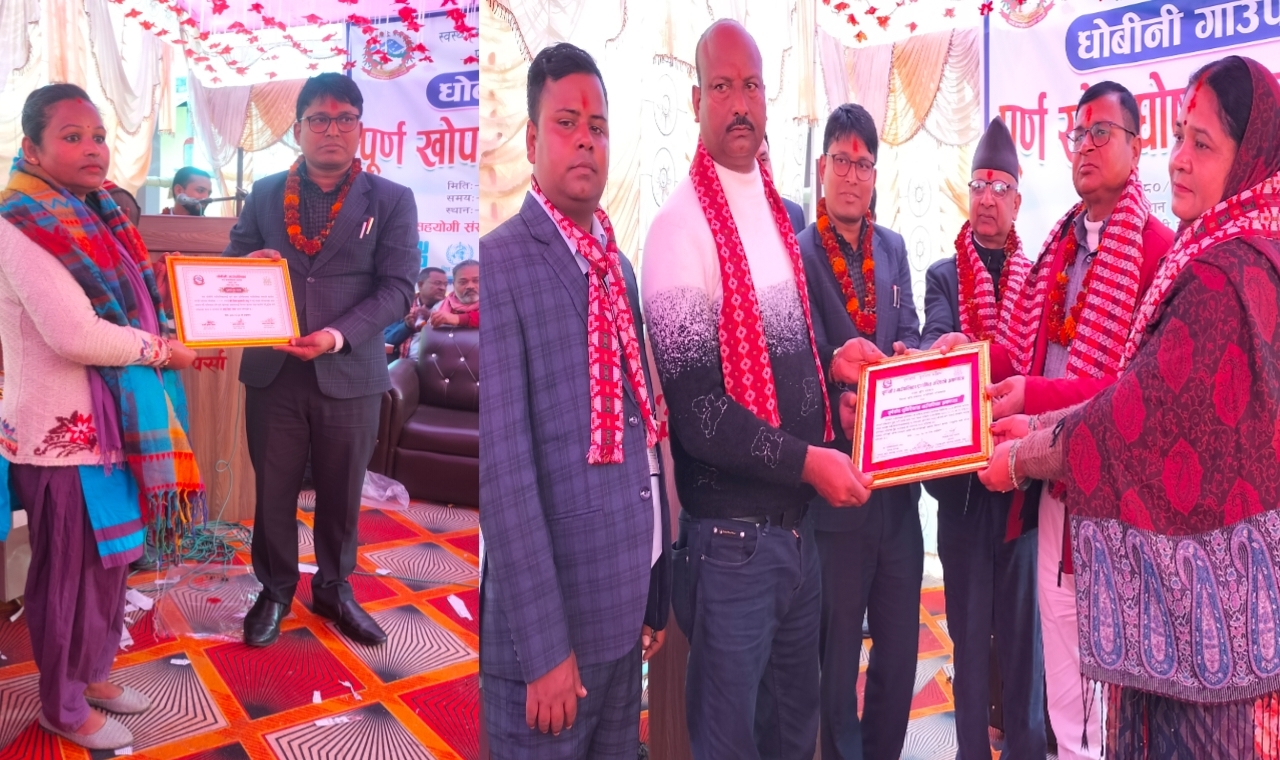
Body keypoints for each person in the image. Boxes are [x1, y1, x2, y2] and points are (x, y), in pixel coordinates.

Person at [980, 54, 1280, 759]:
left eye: (1202, 144)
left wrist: (1024, 449)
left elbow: (1133, 411)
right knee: (1066, 695)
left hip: (1192, 594)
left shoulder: (1213, 270)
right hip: (1152, 541)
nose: (1180, 160)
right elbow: (1102, 381)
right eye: (1181, 138)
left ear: (1249, 157)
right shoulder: (1077, 247)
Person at [642, 20, 871, 760]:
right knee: (729, 747)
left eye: (751, 86)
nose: (739, 103)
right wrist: (811, 461)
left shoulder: (780, 214)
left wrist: (834, 373)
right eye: (721, 86)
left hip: (796, 538)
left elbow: (780, 355)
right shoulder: (678, 229)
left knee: (791, 739)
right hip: (732, 547)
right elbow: (700, 414)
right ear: (696, 100)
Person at [948, 81, 1172, 758]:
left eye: (1103, 132)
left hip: (1122, 511)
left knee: (1121, 695)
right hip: (1053, 492)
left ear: (1137, 147)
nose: (1087, 145)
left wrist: (1029, 395)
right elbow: (1025, 357)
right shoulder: (1059, 251)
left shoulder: (1159, 252)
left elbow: (1131, 396)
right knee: (1065, 686)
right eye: (1079, 133)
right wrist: (965, 358)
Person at [480, 42, 670, 759]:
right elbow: (504, 478)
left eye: (598, 126)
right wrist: (544, 652)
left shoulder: (616, 267)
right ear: (532, 140)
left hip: (621, 617)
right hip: (549, 646)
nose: (586, 139)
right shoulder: (500, 263)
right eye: (567, 122)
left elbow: (642, 441)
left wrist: (652, 589)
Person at [0, 83, 202, 750]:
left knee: (110, 564)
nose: (92, 148)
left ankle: (92, 673)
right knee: (66, 576)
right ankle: (61, 704)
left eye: (97, 136)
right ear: (31, 148)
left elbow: (132, 305)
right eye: (71, 136)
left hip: (112, 430)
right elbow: (75, 335)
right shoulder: (20, 223)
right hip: (62, 438)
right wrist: (163, 351)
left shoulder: (97, 217)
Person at [224, 73, 418, 648]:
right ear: (299, 128)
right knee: (274, 490)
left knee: (341, 491)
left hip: (350, 370)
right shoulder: (265, 193)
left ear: (360, 128)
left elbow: (397, 289)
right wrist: (245, 266)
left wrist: (336, 335)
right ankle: (275, 589)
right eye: (319, 119)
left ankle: (333, 587)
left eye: (344, 119)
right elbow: (234, 261)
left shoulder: (391, 199)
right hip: (273, 371)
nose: (332, 130)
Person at [798, 102, 924, 760]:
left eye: (864, 164)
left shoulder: (893, 249)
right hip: (837, 494)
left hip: (899, 491)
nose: (852, 175)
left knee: (900, 652)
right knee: (836, 657)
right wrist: (836, 382)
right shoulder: (799, 254)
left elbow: (911, 334)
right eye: (842, 161)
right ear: (823, 168)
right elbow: (794, 361)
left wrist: (909, 355)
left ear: (876, 174)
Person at [920, 117, 1046, 760]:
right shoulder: (943, 276)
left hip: (1022, 489)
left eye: (1000, 187)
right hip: (965, 496)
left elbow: (1035, 370)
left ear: (1017, 200)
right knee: (968, 646)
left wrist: (976, 354)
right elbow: (939, 344)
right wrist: (952, 351)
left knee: (1024, 649)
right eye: (978, 186)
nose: (988, 198)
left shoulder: (1040, 277)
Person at [384, 266, 447, 359]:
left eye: (445, 284)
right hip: (405, 361)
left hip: (439, 362)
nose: (443, 288)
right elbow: (386, 340)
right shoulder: (403, 306)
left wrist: (430, 319)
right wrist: (406, 326)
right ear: (420, 285)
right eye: (437, 283)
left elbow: (454, 339)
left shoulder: (451, 308)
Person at [757, 132, 805, 233]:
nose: (759, 169)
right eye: (750, 164)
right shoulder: (726, 219)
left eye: (763, 160)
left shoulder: (794, 213)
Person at [430, 259, 479, 328]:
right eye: (463, 282)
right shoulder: (439, 307)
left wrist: (457, 318)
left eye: (476, 281)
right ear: (454, 285)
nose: (470, 286)